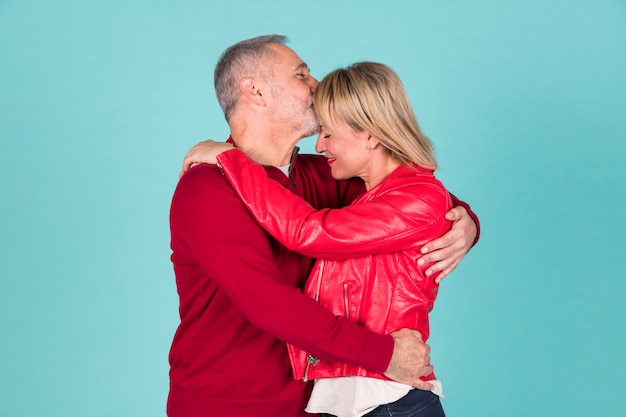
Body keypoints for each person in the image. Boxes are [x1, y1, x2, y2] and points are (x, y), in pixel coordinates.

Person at [169, 35, 480, 417]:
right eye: (302, 74)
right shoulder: (207, 188)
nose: (316, 84)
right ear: (255, 91)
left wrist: (465, 221)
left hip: (322, 405)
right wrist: (385, 355)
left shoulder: (324, 176)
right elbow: (270, 304)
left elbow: (408, 193)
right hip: (233, 405)